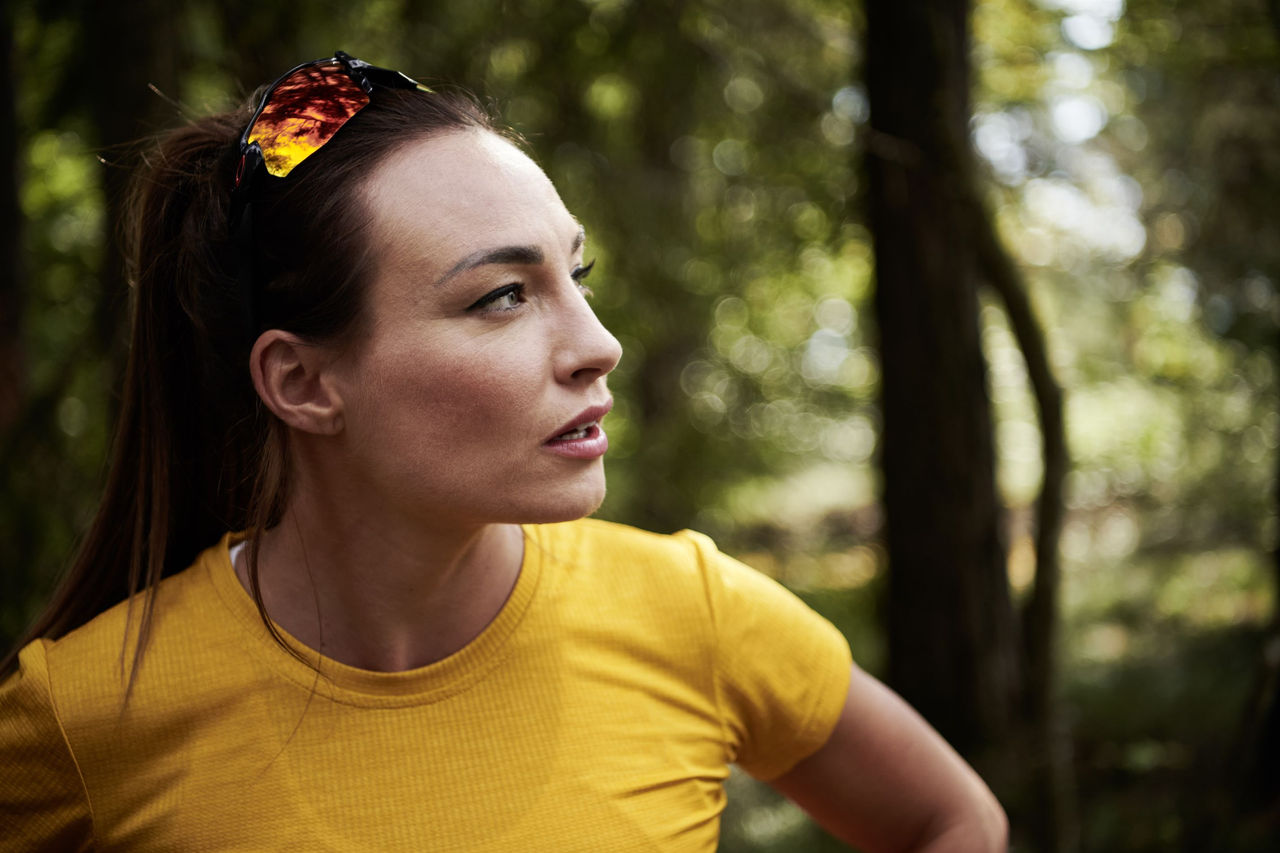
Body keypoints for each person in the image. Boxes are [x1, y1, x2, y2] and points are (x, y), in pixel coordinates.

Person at [0, 52, 1007, 851]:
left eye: (577, 274)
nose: (597, 343)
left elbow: (952, 819)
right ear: (304, 384)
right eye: (503, 296)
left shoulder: (691, 612)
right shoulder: (82, 715)